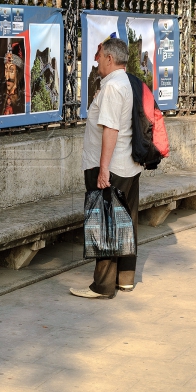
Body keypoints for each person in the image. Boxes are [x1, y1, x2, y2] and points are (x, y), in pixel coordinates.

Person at [70, 36, 142, 299]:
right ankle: (125, 278)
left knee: (105, 223)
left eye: (99, 55)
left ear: (110, 58)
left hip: (111, 166)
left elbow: (110, 129)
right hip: (128, 165)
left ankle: (102, 285)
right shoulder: (128, 82)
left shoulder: (112, 87)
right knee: (126, 220)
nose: (95, 60)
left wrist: (103, 169)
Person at [0, 40, 25, 115]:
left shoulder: (23, 99)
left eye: (11, 70)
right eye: (6, 69)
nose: (7, 76)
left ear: (17, 73)